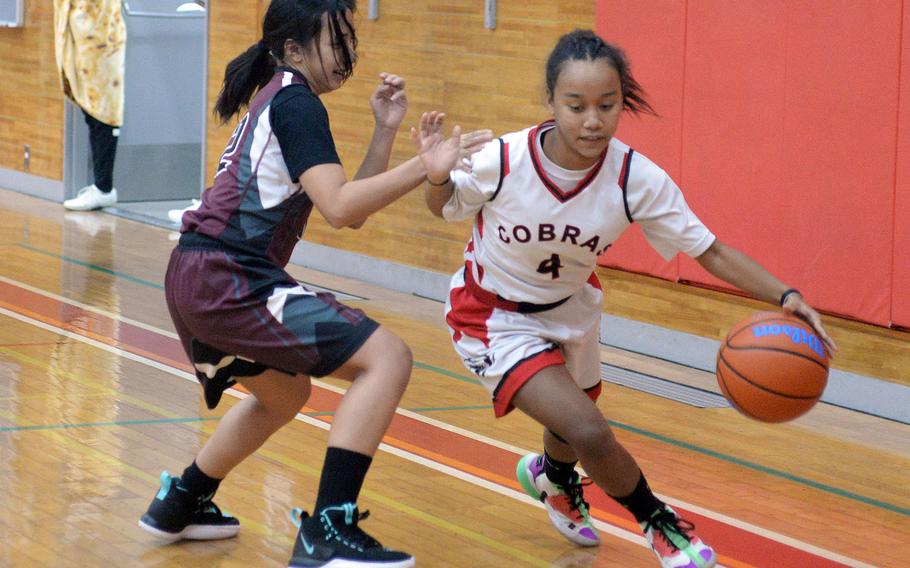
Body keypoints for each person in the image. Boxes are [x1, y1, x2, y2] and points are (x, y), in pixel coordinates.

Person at [424, 29, 837, 568]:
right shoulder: (503, 160)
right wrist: (435, 177)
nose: (592, 120)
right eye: (576, 106)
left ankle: (551, 478)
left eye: (607, 105)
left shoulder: (634, 178)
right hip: (492, 317)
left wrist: (787, 294)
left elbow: (708, 250)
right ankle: (662, 526)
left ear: (623, 102)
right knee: (588, 428)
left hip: (572, 307)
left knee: (575, 419)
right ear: (550, 102)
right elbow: (444, 206)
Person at [137, 1, 480, 567]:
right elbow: (342, 208)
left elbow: (350, 208)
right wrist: (428, 166)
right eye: (336, 37)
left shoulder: (285, 96)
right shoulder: (296, 102)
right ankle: (328, 528)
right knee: (388, 358)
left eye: (351, 36)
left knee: (285, 394)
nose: (348, 50)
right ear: (294, 49)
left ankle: (184, 499)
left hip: (199, 275)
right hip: (227, 275)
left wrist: (385, 131)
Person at [54, 0, 125, 211]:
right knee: (90, 109)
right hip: (81, 34)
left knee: (104, 111)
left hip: (102, 36)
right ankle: (102, 186)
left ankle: (104, 188)